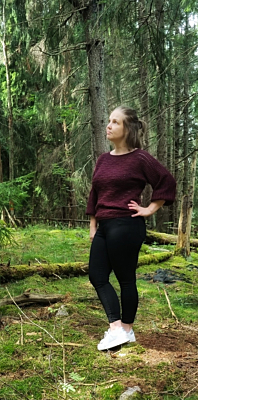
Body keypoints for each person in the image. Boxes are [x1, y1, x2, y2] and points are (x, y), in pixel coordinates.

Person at [86, 105, 176, 351]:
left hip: (126, 224)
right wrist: (93, 224)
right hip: (105, 225)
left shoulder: (140, 158)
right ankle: (117, 329)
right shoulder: (103, 159)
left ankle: (126, 329)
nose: (109, 125)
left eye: (115, 122)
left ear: (127, 129)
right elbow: (95, 192)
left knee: (125, 279)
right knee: (97, 275)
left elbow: (166, 180)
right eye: (109, 121)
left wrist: (150, 208)